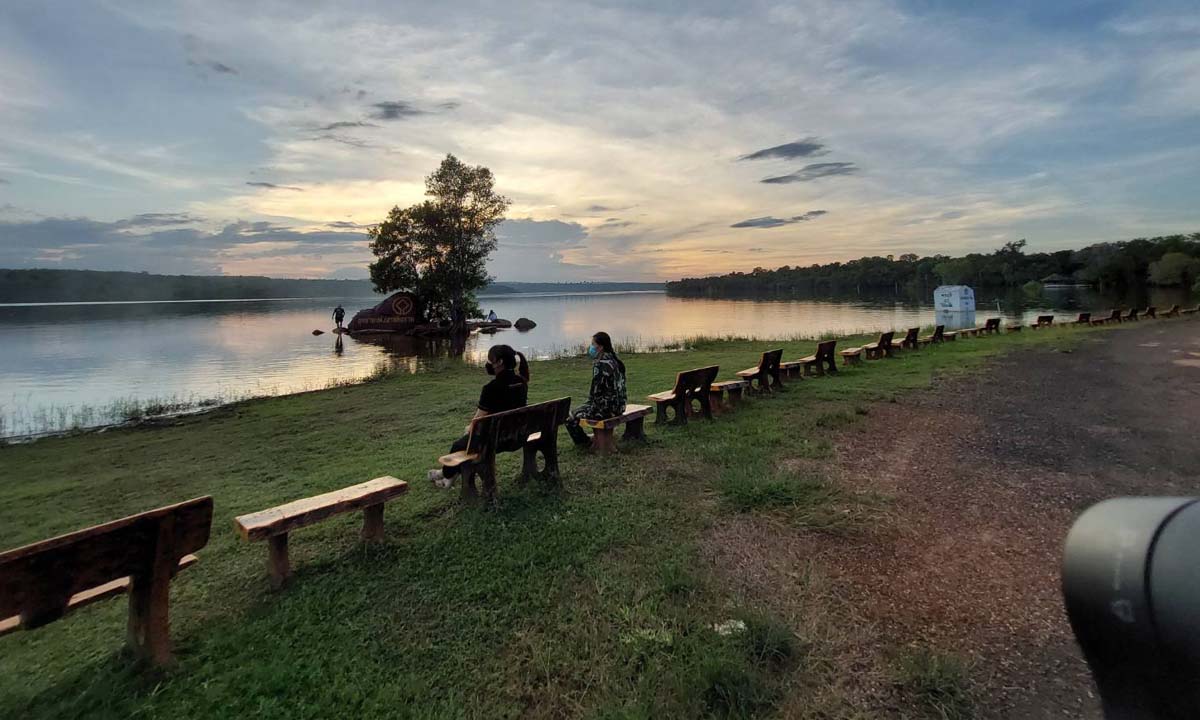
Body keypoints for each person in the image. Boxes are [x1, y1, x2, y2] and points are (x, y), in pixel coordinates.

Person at [428, 344, 530, 488]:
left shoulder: (491, 388)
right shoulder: (522, 382)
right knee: (466, 441)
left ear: (499, 362)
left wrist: (469, 428)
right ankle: (447, 475)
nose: (488, 363)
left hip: (496, 440)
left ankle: (446, 476)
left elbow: (478, 420)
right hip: (519, 436)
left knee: (459, 445)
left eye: (490, 360)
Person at [565, 331, 627, 447]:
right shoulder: (617, 362)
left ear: (601, 347)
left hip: (605, 409)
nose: (591, 347)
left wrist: (588, 408)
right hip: (620, 406)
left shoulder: (600, 365)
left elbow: (595, 394)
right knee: (582, 409)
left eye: (593, 344)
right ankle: (596, 438)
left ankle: (584, 443)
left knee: (570, 417)